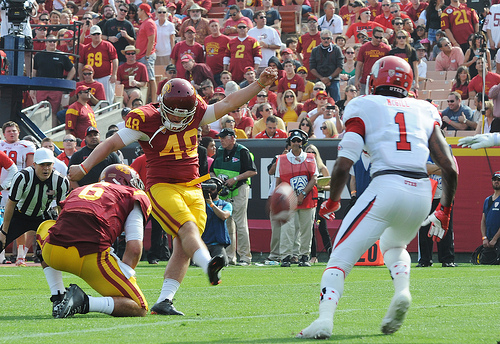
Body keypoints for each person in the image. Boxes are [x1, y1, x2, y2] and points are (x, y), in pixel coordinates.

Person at [67, 72, 277, 314]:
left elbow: (230, 103)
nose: (177, 119)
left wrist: (259, 84)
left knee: (184, 245)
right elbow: (111, 143)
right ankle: (210, 264)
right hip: (162, 185)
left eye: (182, 115)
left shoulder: (196, 109)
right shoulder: (145, 118)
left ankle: (165, 300)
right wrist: (84, 166)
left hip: (193, 186)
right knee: (187, 229)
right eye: (173, 113)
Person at [297, 56, 458, 339]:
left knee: (340, 258)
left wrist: (333, 200)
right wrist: (444, 210)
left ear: (374, 79)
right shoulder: (423, 109)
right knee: (394, 245)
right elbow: (450, 166)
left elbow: (344, 163)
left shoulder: (363, 105)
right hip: (421, 192)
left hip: (387, 185)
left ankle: (324, 320)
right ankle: (403, 291)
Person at [37, 164, 151, 318]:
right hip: (91, 258)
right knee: (139, 307)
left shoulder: (79, 190)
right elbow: (135, 248)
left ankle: (58, 296)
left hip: (52, 252)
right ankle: (84, 302)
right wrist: (126, 276)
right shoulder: (133, 194)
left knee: (44, 228)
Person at [0, 148, 70, 267]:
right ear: (34, 164)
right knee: (0, 242)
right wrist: (4, 231)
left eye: (48, 164)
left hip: (43, 216)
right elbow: (11, 204)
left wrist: (61, 229)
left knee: (47, 253)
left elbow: (61, 207)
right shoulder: (22, 177)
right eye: (42, 164)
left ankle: (56, 286)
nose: (46, 168)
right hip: (20, 215)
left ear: (53, 164)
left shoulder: (60, 181)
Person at [211, 128, 258, 266]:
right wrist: (217, 181)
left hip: (239, 189)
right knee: (227, 223)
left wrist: (235, 179)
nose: (221, 140)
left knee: (240, 223)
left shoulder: (242, 151)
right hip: (224, 191)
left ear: (232, 138)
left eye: (224, 138)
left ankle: (245, 257)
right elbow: (212, 171)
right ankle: (230, 257)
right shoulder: (219, 152)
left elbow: (252, 171)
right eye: (220, 138)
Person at [275, 129, 318, 267]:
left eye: (298, 140)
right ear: (289, 142)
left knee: (306, 229)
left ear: (303, 142)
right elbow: (278, 180)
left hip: (307, 198)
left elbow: (314, 179)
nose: (296, 143)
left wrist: (303, 194)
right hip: (288, 199)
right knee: (287, 229)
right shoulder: (281, 159)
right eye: (293, 140)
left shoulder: (311, 158)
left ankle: (304, 256)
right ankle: (286, 256)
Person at [417, 154, 458, 267]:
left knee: (446, 228)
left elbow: (453, 172)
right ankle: (425, 260)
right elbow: (424, 170)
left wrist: (433, 169)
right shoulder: (424, 155)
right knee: (424, 228)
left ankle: (447, 259)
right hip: (427, 196)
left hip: (444, 197)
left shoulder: (450, 156)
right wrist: (442, 167)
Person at [33, 35, 76, 127]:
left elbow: (72, 70)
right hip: (41, 87)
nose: (52, 43)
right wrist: (32, 87)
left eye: (54, 41)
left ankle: (52, 133)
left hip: (56, 88)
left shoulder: (62, 55)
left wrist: (66, 82)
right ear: (46, 43)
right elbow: (34, 72)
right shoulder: (38, 55)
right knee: (40, 112)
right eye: (50, 41)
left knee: (54, 112)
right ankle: (41, 133)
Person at [304, 144, 331, 264]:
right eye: (308, 152)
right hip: (308, 199)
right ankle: (313, 256)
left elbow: (331, 186)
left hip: (319, 199)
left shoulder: (322, 168)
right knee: (310, 228)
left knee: (322, 227)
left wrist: (319, 186)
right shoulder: (303, 167)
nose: (311, 154)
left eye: (313, 152)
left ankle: (331, 254)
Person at [79, 25, 118, 104]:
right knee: (90, 101)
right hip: (90, 78)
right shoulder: (86, 48)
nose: (96, 36)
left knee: (107, 100)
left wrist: (114, 74)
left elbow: (115, 60)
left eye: (98, 34)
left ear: (101, 34)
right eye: (94, 34)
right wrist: (81, 78)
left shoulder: (107, 45)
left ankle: (107, 114)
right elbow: (81, 63)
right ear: (90, 36)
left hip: (105, 77)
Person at [202, 177, 232, 266]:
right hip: (201, 243)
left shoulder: (225, 204)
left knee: (222, 263)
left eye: (212, 188)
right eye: (207, 188)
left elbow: (224, 216)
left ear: (218, 189)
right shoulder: (199, 204)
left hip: (217, 244)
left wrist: (211, 204)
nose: (209, 191)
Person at [309, 29, 344, 102]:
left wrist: (329, 78)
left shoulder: (336, 49)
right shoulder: (315, 50)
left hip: (334, 80)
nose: (326, 40)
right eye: (324, 38)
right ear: (320, 39)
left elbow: (340, 66)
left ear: (331, 39)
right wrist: (322, 78)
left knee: (336, 102)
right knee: (319, 101)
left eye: (328, 38)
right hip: (320, 81)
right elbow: (312, 67)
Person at [355, 26, 391, 95]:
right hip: (366, 81)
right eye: (376, 37)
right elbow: (359, 65)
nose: (378, 39)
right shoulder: (364, 47)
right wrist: (357, 80)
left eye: (380, 38)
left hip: (380, 82)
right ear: (372, 36)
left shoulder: (386, 49)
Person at [204, 20, 230, 86]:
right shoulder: (206, 39)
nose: (214, 28)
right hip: (210, 72)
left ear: (219, 27)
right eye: (212, 26)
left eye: (216, 25)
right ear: (209, 28)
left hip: (221, 71)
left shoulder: (226, 39)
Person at [480, 171, 500, 253]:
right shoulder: (487, 200)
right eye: (494, 179)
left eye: (499, 180)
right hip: (489, 240)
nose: (496, 181)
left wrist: (495, 239)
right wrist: (484, 238)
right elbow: (483, 221)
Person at [297, 15, 321, 80]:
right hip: (307, 69)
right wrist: (303, 63)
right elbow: (297, 52)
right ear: (307, 24)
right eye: (310, 22)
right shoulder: (302, 38)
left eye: (314, 22)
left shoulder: (323, 36)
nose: (312, 24)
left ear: (317, 24)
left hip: (320, 68)